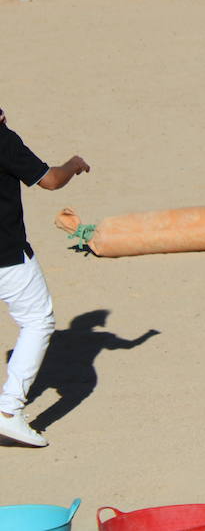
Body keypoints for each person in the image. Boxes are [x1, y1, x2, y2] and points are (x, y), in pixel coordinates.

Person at [0, 106, 91, 447]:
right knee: (38, 320)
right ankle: (8, 412)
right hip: (5, 256)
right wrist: (74, 164)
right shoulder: (3, 140)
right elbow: (50, 180)